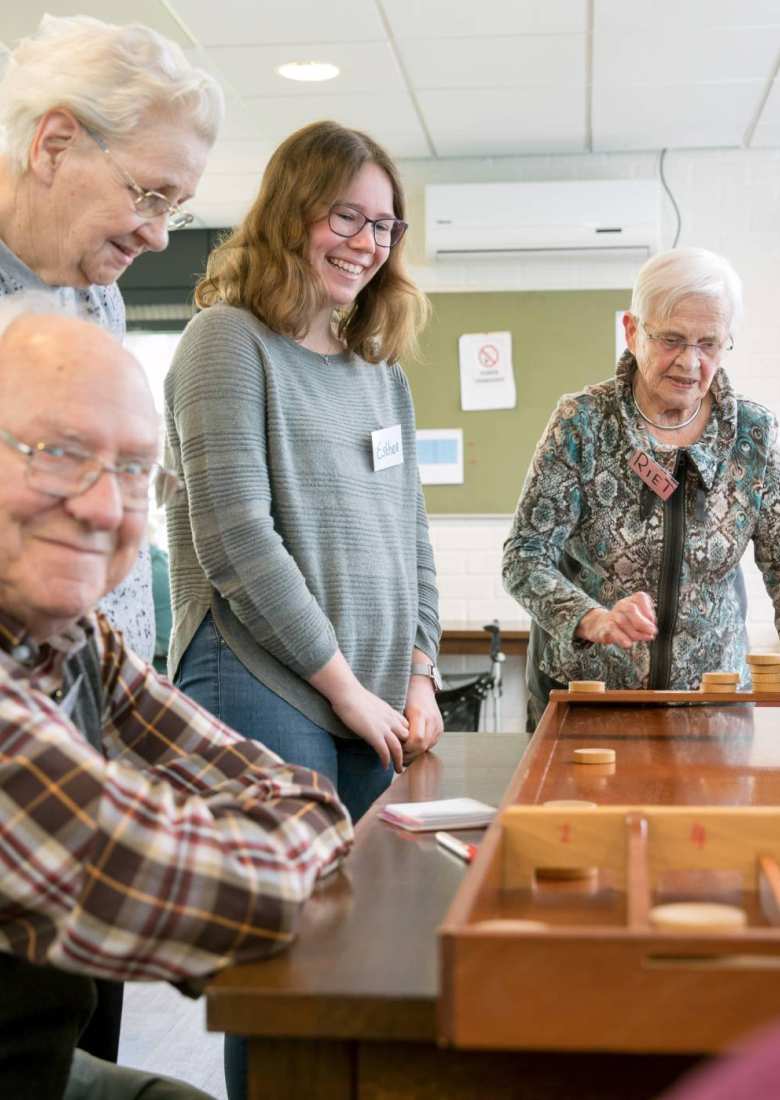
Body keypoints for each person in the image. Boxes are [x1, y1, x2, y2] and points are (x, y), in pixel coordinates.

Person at [0, 298, 353, 1100]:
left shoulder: (78, 640)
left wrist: (283, 826)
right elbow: (209, 899)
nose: (102, 505)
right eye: (58, 453)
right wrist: (276, 844)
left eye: (132, 470)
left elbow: (297, 792)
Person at [0, 13, 223, 1060]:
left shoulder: (92, 290)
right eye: (149, 193)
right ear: (52, 142)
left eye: (177, 205)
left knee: (91, 1022)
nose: (160, 233)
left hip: (95, 712)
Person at [165, 120, 442, 823]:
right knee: (290, 920)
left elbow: (412, 536)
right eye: (345, 215)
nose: (365, 244)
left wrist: (420, 673)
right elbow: (235, 538)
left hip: (373, 695)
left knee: (360, 911)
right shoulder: (226, 340)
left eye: (383, 225)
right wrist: (343, 688)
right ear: (291, 215)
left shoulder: (381, 374)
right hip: (264, 681)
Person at [503, 247, 780, 729]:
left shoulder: (754, 436)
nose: (690, 362)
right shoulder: (583, 423)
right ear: (632, 331)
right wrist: (593, 619)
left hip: (711, 713)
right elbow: (524, 558)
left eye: (709, 343)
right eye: (671, 339)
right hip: (587, 704)